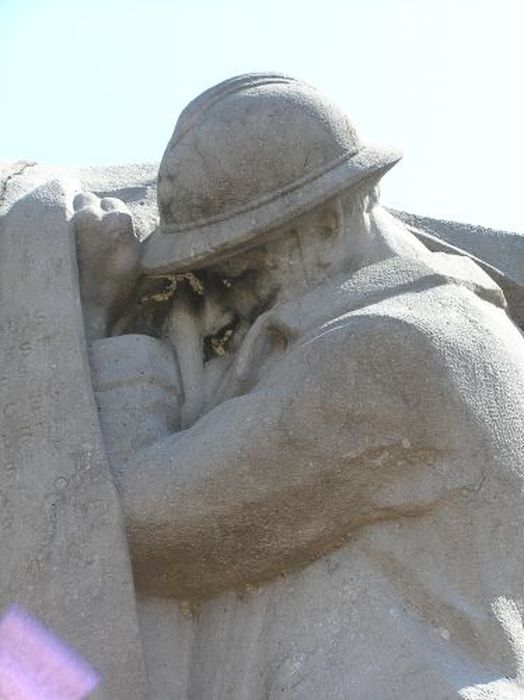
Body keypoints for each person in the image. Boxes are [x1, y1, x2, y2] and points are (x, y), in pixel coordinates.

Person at [80, 74, 524, 698]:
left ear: (328, 222)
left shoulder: (387, 348)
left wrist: (112, 326)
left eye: (245, 258)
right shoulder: (440, 322)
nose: (228, 286)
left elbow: (143, 527)